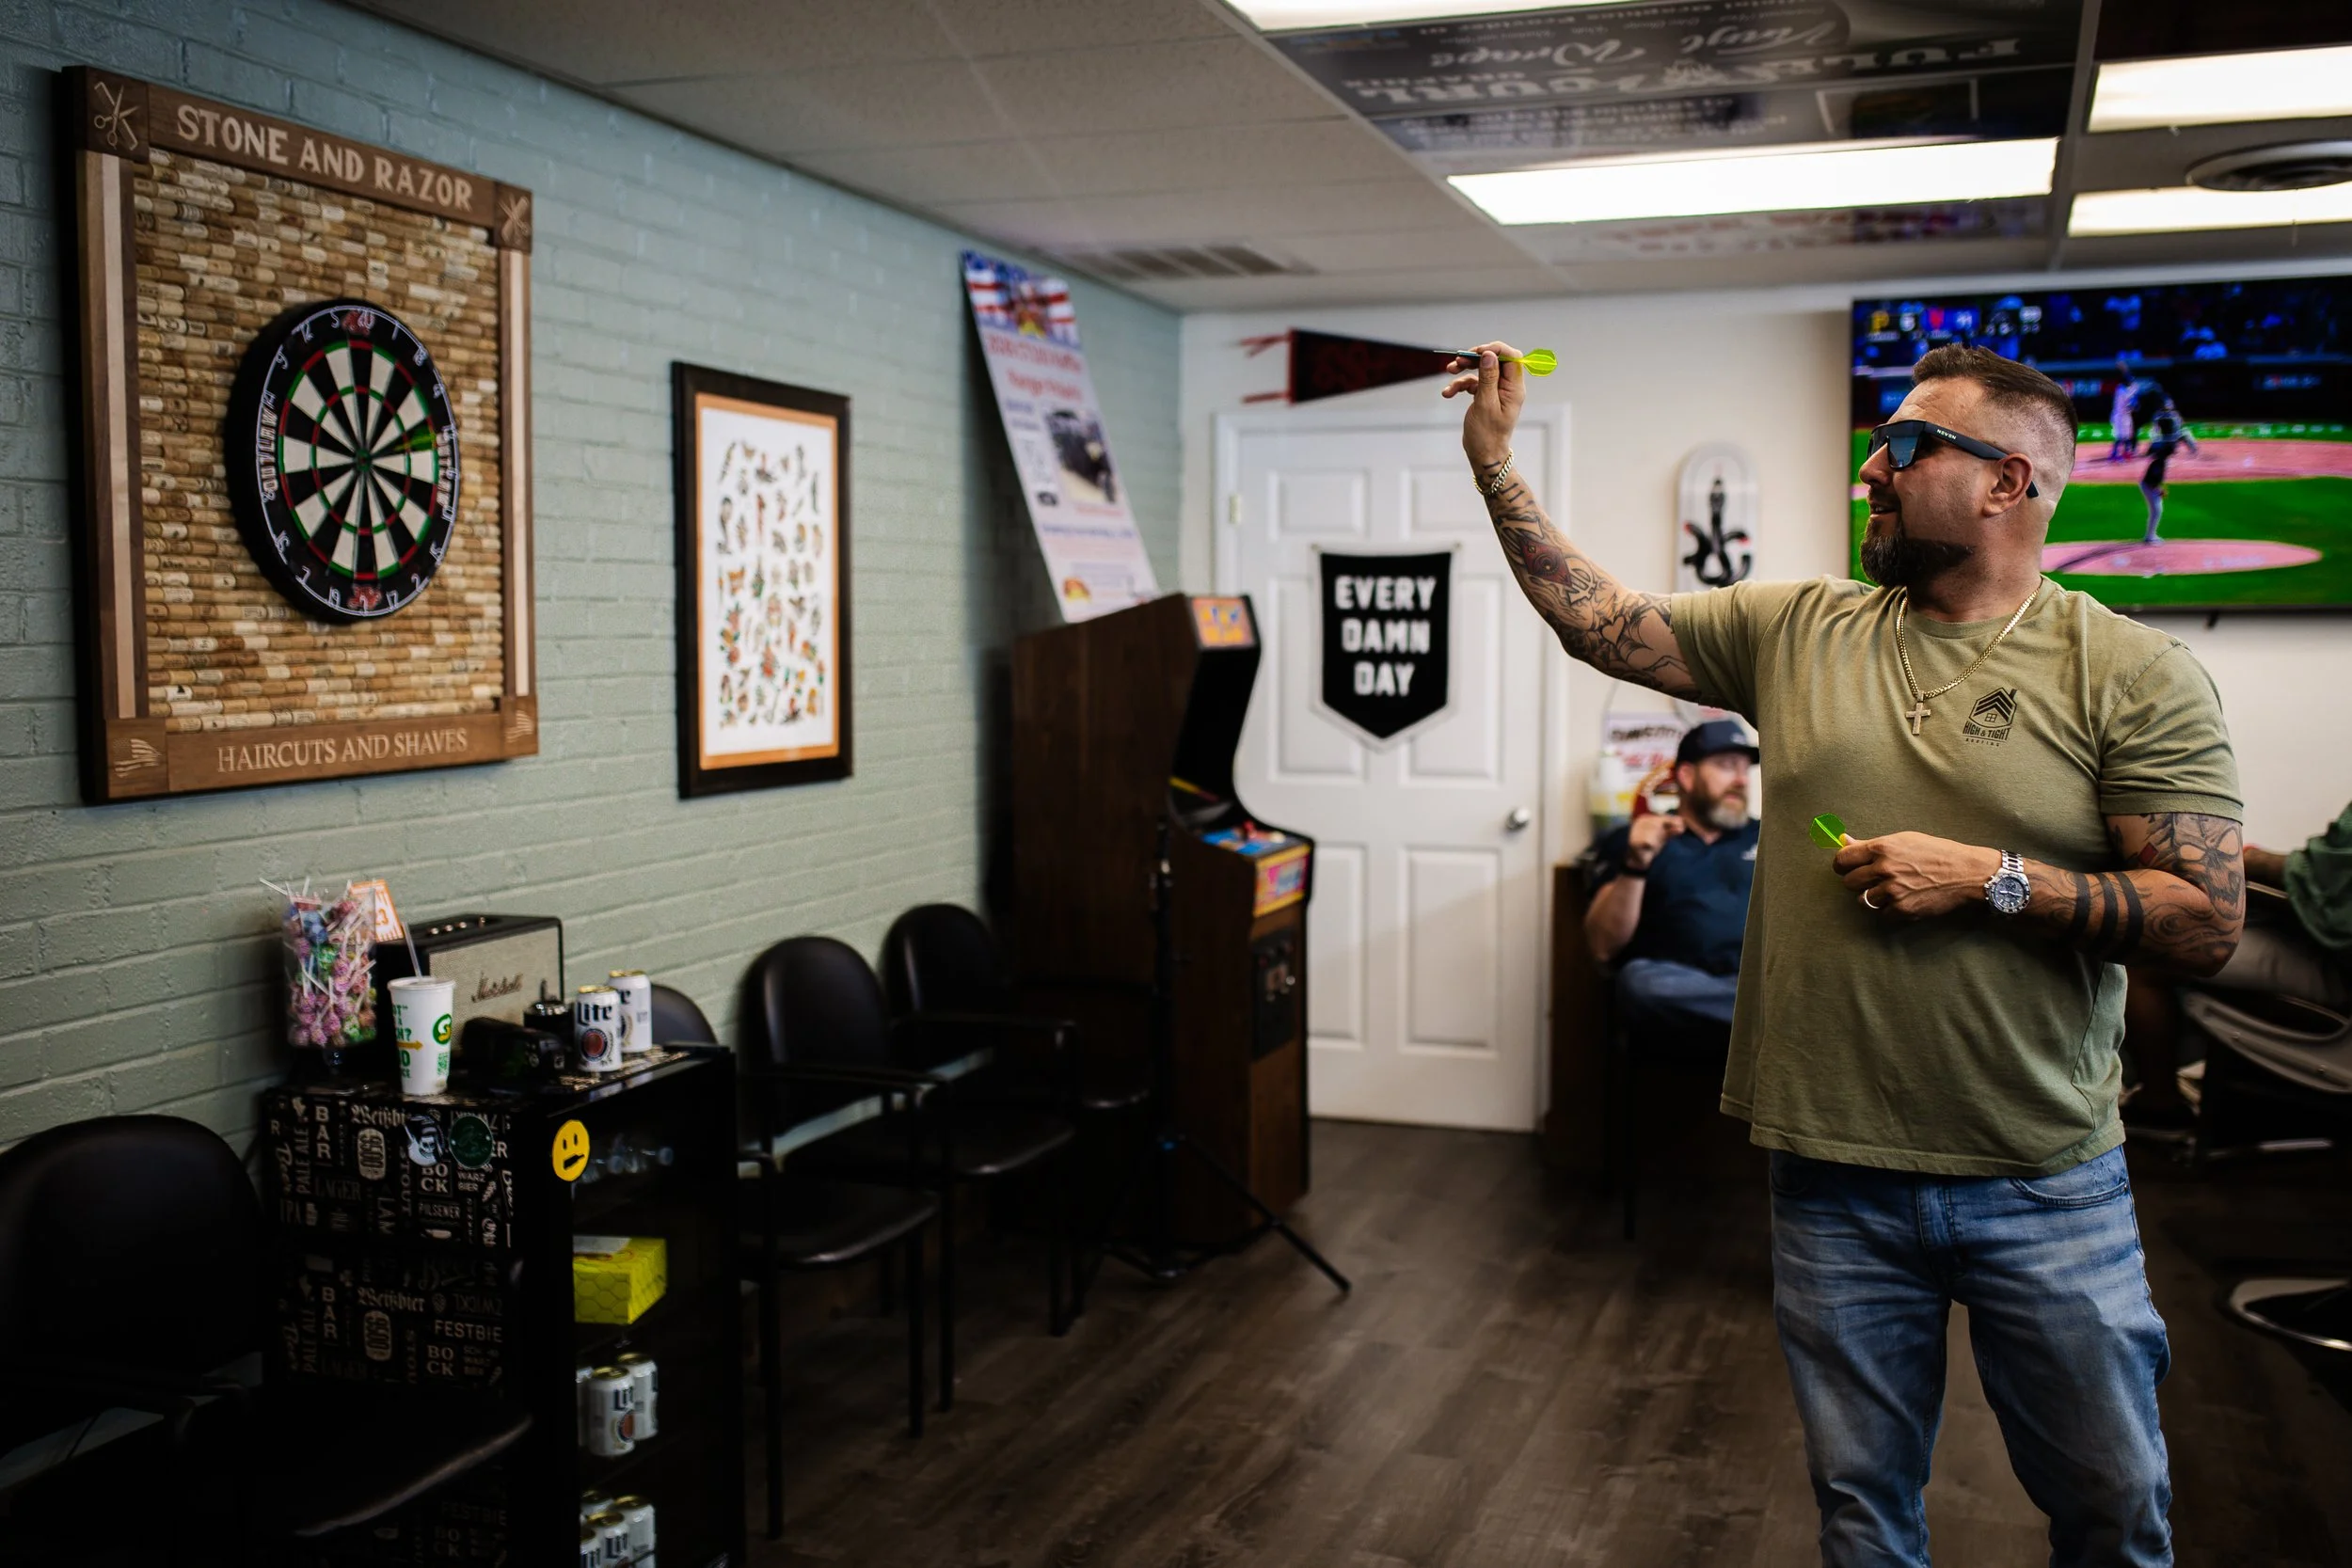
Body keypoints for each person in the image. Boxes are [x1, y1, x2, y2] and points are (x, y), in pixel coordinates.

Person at [1444, 340, 2243, 1567]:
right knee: (1863, 1511)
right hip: (1828, 1169)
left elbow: (2207, 917)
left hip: (2038, 1169)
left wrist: (1995, 877)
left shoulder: (2132, 672)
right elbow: (1605, 626)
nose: (1874, 465)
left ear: (2008, 484)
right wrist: (1497, 464)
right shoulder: (1800, 628)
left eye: (1911, 445)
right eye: (1879, 441)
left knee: (2113, 1505)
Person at [2124, 798, 2352, 1130]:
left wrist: (2246, 859)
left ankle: (2159, 1105)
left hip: (2338, 968)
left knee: (2147, 958)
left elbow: (2325, 877)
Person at [1587, 719, 1760, 1039]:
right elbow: (1602, 947)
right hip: (1675, 985)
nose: (1740, 780)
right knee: (1639, 983)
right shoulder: (1638, 839)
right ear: (1687, 776)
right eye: (1726, 766)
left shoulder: (1768, 839)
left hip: (1754, 980)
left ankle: (1759, 1012)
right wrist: (1636, 863)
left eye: (1744, 769)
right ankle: (1764, 1017)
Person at [2137, 393, 2199, 545]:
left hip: (2148, 485)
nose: (2174, 451)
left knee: (2157, 510)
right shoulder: (2160, 461)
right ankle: (2150, 537)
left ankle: (2150, 535)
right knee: (2157, 510)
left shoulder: (2160, 457)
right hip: (2147, 486)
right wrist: (2159, 490)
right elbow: (2153, 481)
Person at [2109, 359, 2139, 461]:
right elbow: (2132, 404)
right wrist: (2134, 393)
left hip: (2125, 416)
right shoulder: (2122, 391)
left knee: (2127, 435)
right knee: (2120, 436)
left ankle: (2127, 453)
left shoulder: (2124, 388)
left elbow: (2132, 388)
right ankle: (2114, 453)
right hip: (2119, 416)